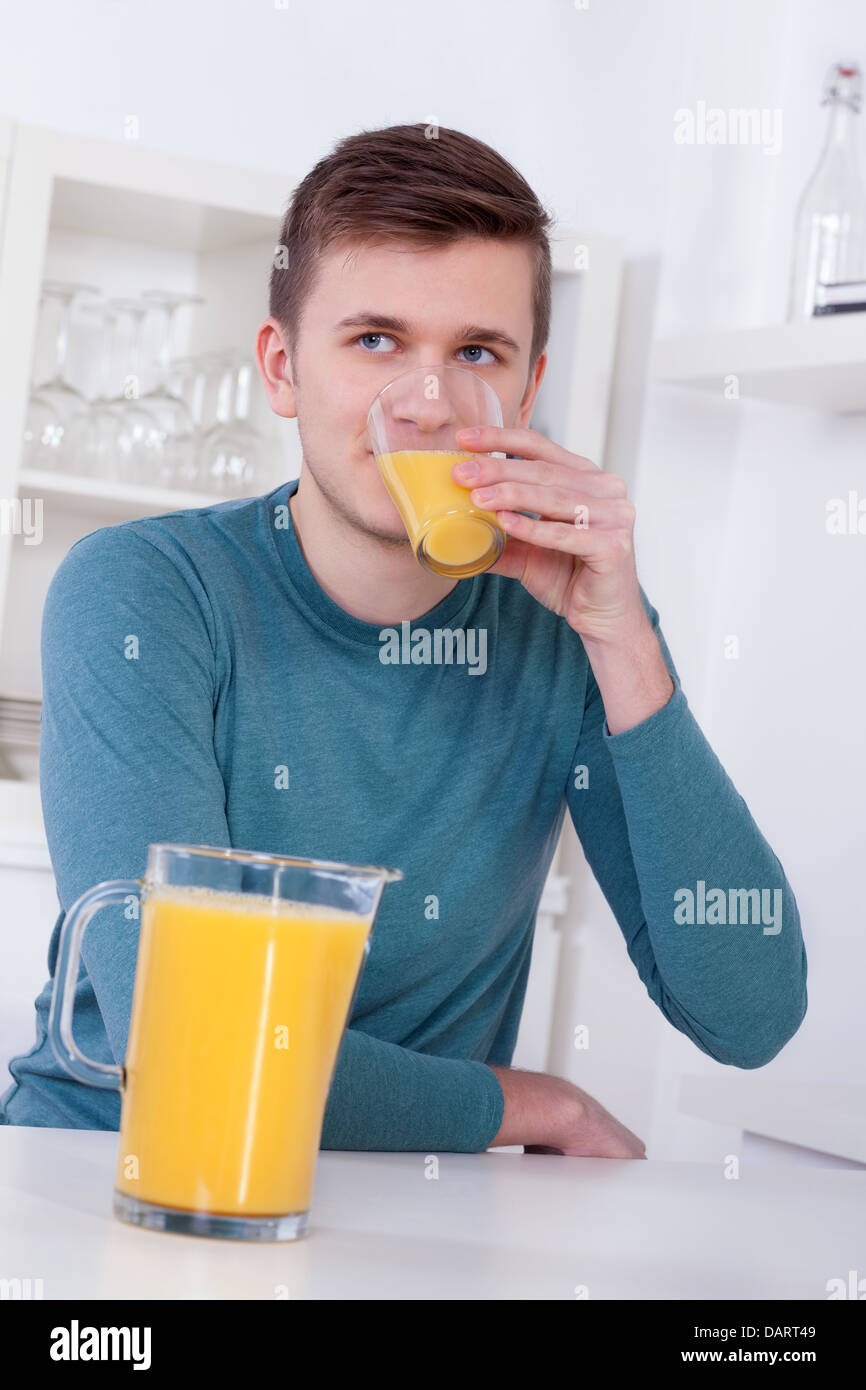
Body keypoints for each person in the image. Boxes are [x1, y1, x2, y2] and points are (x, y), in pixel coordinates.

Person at [0, 124, 807, 1156]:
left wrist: (622, 639)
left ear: (525, 390)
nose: (424, 404)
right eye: (375, 341)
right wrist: (523, 1104)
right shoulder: (144, 592)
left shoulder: (563, 630)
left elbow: (748, 1015)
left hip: (402, 1211)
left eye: (474, 353)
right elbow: (190, 1030)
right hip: (106, 1175)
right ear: (282, 368)